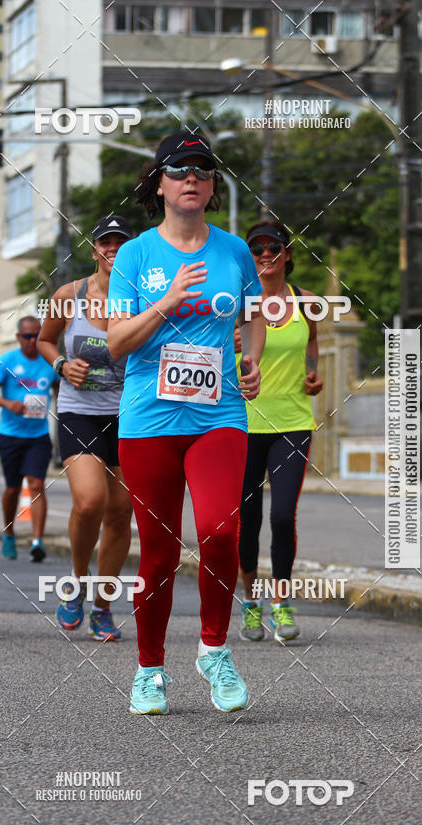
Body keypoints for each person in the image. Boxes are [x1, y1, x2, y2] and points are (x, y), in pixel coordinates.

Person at [107, 130, 265, 715]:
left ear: (212, 184)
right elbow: (117, 345)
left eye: (202, 168)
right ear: (160, 183)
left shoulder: (233, 251)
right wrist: (166, 302)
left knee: (223, 530)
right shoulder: (135, 255)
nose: (192, 177)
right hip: (149, 419)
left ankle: (214, 650)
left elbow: (252, 314)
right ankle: (150, 671)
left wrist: (251, 357)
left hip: (218, 414)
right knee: (159, 551)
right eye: (180, 169)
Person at [38, 215, 134, 641]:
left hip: (131, 414)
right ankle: (76, 581)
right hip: (79, 411)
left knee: (120, 512)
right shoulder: (68, 295)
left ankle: (103, 606)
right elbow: (45, 340)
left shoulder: (146, 297)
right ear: (94, 249)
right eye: (105, 242)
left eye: (120, 242)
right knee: (91, 501)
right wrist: (61, 364)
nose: (112, 248)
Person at [235, 220, 323, 644]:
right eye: (257, 249)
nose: (265, 254)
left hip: (293, 422)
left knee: (283, 515)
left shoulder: (306, 301)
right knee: (247, 520)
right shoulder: (236, 302)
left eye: (274, 247)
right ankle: (251, 603)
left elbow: (311, 344)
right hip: (242, 422)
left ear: (288, 253)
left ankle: (281, 602)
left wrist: (312, 374)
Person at [0, 315, 59, 562]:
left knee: (36, 485)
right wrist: (7, 403)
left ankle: (36, 541)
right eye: (27, 336)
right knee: (12, 488)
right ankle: (9, 533)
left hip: (39, 435)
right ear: (18, 337)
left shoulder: (49, 361)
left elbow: (60, 389)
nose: (32, 341)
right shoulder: (8, 360)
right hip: (10, 434)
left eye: (36, 335)